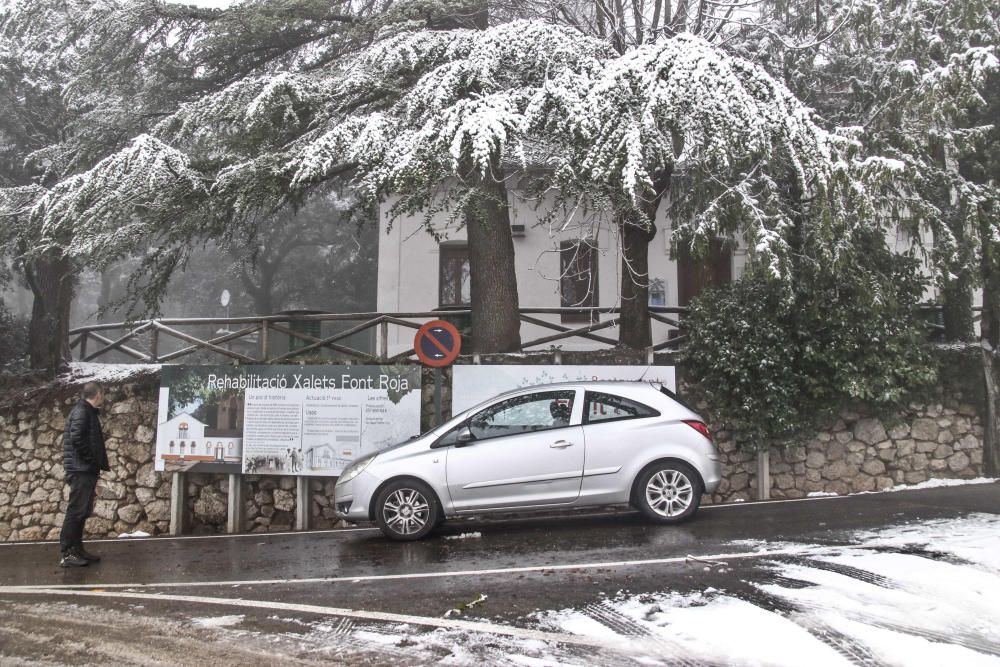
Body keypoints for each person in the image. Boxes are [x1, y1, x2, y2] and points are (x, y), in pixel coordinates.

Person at [59, 382, 111, 567]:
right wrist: (91, 460)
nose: (103, 397)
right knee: (76, 511)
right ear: (98, 394)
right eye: (103, 394)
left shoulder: (86, 410)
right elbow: (77, 438)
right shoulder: (82, 411)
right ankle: (68, 553)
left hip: (84, 469)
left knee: (82, 512)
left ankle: (77, 548)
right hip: (81, 469)